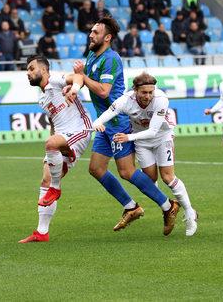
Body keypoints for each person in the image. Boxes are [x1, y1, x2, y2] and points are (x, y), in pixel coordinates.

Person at [71, 17, 180, 233]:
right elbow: (84, 81)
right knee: (96, 169)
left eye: (95, 32)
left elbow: (103, 90)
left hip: (118, 122)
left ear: (107, 37)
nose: (91, 35)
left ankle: (168, 206)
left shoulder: (111, 59)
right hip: (104, 122)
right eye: (91, 31)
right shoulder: (92, 55)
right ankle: (131, 207)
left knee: (127, 172)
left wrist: (81, 76)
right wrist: (73, 83)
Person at [93, 72, 198, 236]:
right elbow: (108, 112)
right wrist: (97, 122)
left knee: (168, 177)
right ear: (135, 90)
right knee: (149, 179)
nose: (148, 96)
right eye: (144, 92)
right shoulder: (126, 100)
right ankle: (168, 207)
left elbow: (153, 131)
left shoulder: (161, 100)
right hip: (142, 142)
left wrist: (128, 137)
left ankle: (190, 213)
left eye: (151, 92)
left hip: (162, 138)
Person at [19, 55, 91, 243]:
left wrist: (74, 90)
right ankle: (42, 232)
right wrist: (52, 142)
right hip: (62, 136)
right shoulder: (42, 98)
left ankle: (56, 187)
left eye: (31, 68)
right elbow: (53, 121)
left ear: (43, 70)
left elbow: (78, 78)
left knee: (51, 146)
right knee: (45, 179)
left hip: (80, 130)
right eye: (27, 70)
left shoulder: (55, 80)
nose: (28, 73)